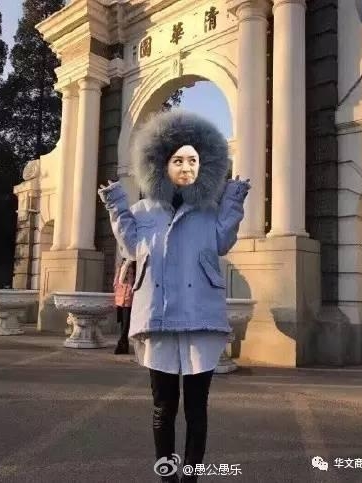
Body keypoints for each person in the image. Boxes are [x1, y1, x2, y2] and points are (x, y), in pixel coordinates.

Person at [98, 109, 251, 482]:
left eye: (193, 160)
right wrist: (116, 204)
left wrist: (234, 199)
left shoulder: (210, 211)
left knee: (197, 410)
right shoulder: (142, 211)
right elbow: (130, 248)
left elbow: (223, 242)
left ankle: (191, 477)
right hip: (160, 318)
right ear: (160, 163)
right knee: (163, 408)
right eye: (177, 159)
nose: (185, 167)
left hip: (200, 318)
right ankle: (167, 477)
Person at [113, 257, 136, 354]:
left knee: (126, 323)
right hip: (120, 297)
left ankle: (120, 343)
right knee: (122, 323)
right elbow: (117, 281)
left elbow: (132, 282)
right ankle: (124, 346)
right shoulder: (122, 266)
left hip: (128, 298)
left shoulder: (133, 266)